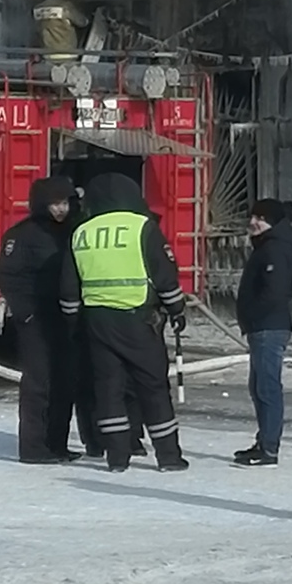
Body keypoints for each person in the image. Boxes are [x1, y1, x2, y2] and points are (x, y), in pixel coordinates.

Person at [59, 172, 189, 471]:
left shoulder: (81, 232)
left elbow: (68, 287)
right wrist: (176, 310)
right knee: (153, 387)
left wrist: (73, 323)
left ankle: (116, 457)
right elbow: (164, 275)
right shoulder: (143, 227)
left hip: (97, 322)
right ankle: (168, 456)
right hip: (138, 320)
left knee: (108, 389)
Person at [0, 175, 79, 463]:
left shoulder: (73, 231)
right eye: (55, 203)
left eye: (65, 202)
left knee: (64, 382)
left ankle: (57, 443)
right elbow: (8, 276)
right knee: (38, 383)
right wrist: (26, 313)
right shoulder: (21, 235)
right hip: (36, 320)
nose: (61, 209)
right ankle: (32, 448)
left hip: (66, 317)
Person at [233, 199, 292, 466]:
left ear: (273, 222)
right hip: (262, 327)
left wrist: (253, 314)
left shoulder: (275, 249)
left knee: (268, 387)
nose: (253, 222)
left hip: (269, 327)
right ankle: (263, 442)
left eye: (261, 218)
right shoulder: (266, 247)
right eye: (252, 216)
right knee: (259, 386)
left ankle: (269, 448)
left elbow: (275, 292)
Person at [33, 0, 89, 72]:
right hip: (67, 56)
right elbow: (82, 22)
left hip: (47, 56)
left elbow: (37, 30)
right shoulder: (65, 6)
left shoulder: (38, 9)